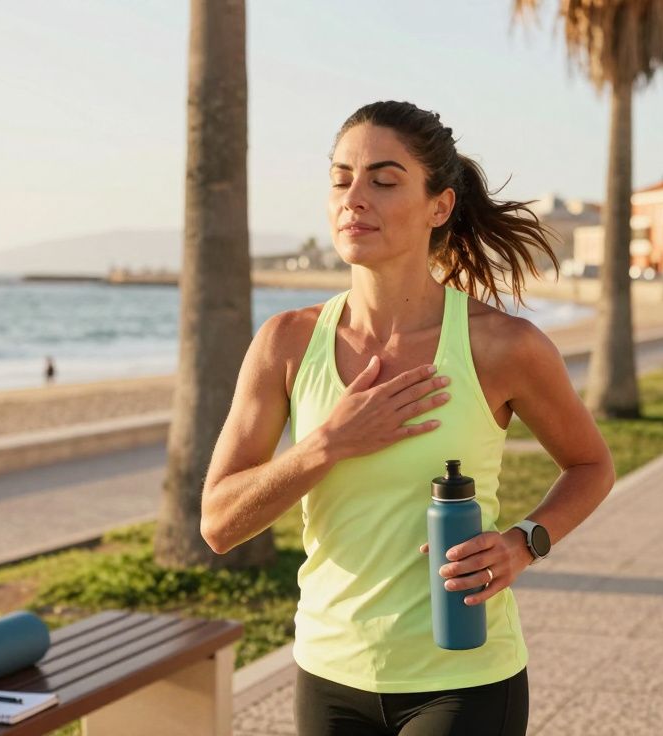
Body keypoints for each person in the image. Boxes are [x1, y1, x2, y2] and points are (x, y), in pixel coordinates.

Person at [199, 101, 614, 736]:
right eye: (341, 179)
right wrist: (327, 444)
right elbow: (219, 524)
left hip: (463, 679)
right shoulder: (286, 343)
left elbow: (591, 465)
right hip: (329, 672)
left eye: (384, 181)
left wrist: (524, 543)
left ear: (438, 206)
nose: (354, 199)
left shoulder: (502, 346)